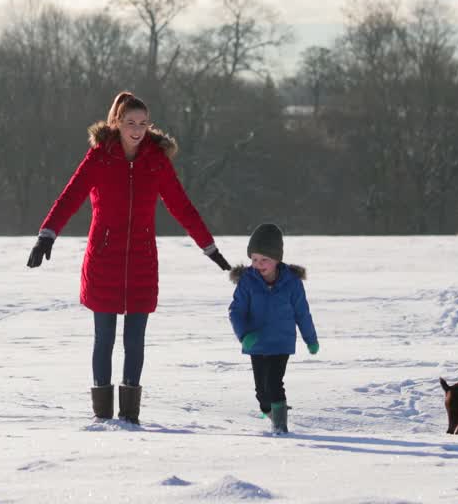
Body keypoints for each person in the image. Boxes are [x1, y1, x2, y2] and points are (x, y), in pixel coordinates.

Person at [27, 91, 232, 425]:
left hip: (141, 260)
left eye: (143, 123)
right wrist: (46, 236)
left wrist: (210, 248)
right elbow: (70, 196)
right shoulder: (98, 158)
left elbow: (182, 207)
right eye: (130, 123)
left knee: (135, 340)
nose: (137, 129)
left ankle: (130, 415)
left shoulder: (156, 161)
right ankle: (102, 414)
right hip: (104, 260)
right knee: (104, 338)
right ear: (116, 123)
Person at [228, 223, 318, 434]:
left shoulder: (292, 283)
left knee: (274, 382)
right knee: (262, 395)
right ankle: (271, 411)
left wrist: (310, 339)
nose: (258, 265)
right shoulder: (247, 282)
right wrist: (244, 335)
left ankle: (281, 427)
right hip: (256, 343)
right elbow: (236, 311)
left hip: (280, 342)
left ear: (277, 259)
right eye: (255, 259)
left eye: (264, 260)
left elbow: (302, 313)